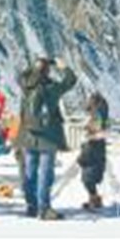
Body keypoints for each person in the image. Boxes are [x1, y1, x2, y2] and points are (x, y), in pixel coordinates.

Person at [16, 56, 77, 220]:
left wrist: (34, 66)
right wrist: (63, 67)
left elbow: (21, 76)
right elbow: (70, 81)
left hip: (28, 135)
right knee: (45, 173)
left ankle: (32, 206)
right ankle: (44, 208)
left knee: (29, 171)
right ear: (48, 71)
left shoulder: (25, 86)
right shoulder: (53, 88)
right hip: (48, 137)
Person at [77, 91, 109, 210]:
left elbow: (101, 132)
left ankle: (95, 200)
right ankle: (93, 198)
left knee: (89, 178)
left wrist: (91, 135)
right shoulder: (96, 116)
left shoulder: (99, 117)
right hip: (91, 150)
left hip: (94, 150)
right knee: (88, 178)